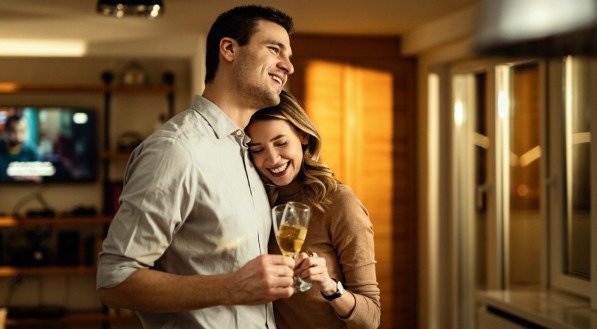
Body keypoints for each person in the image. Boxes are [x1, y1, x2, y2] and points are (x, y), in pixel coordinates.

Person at [96, 5, 296, 328]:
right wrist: (232, 286)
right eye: (275, 49)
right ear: (229, 49)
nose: (287, 66)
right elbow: (114, 279)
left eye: (289, 55)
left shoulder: (248, 152)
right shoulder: (176, 150)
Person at [245, 90, 381, 328]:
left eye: (281, 143)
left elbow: (371, 318)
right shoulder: (257, 199)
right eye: (258, 149)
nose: (273, 159)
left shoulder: (340, 204)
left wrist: (329, 286)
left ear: (304, 136)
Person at [0, 113, 41, 182]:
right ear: (6, 131)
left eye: (22, 131)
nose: (18, 136)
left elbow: (40, 179)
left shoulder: (31, 152)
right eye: (13, 131)